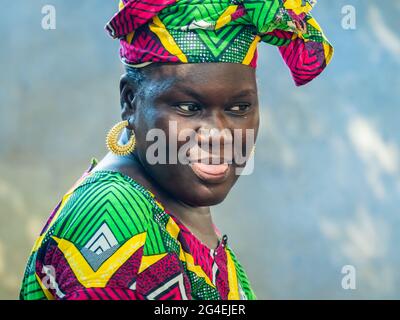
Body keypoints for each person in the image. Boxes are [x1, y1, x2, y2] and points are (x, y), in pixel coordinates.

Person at [20, 0, 333, 300]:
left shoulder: (183, 216)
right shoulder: (113, 214)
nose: (218, 134)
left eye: (239, 107)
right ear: (130, 101)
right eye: (188, 107)